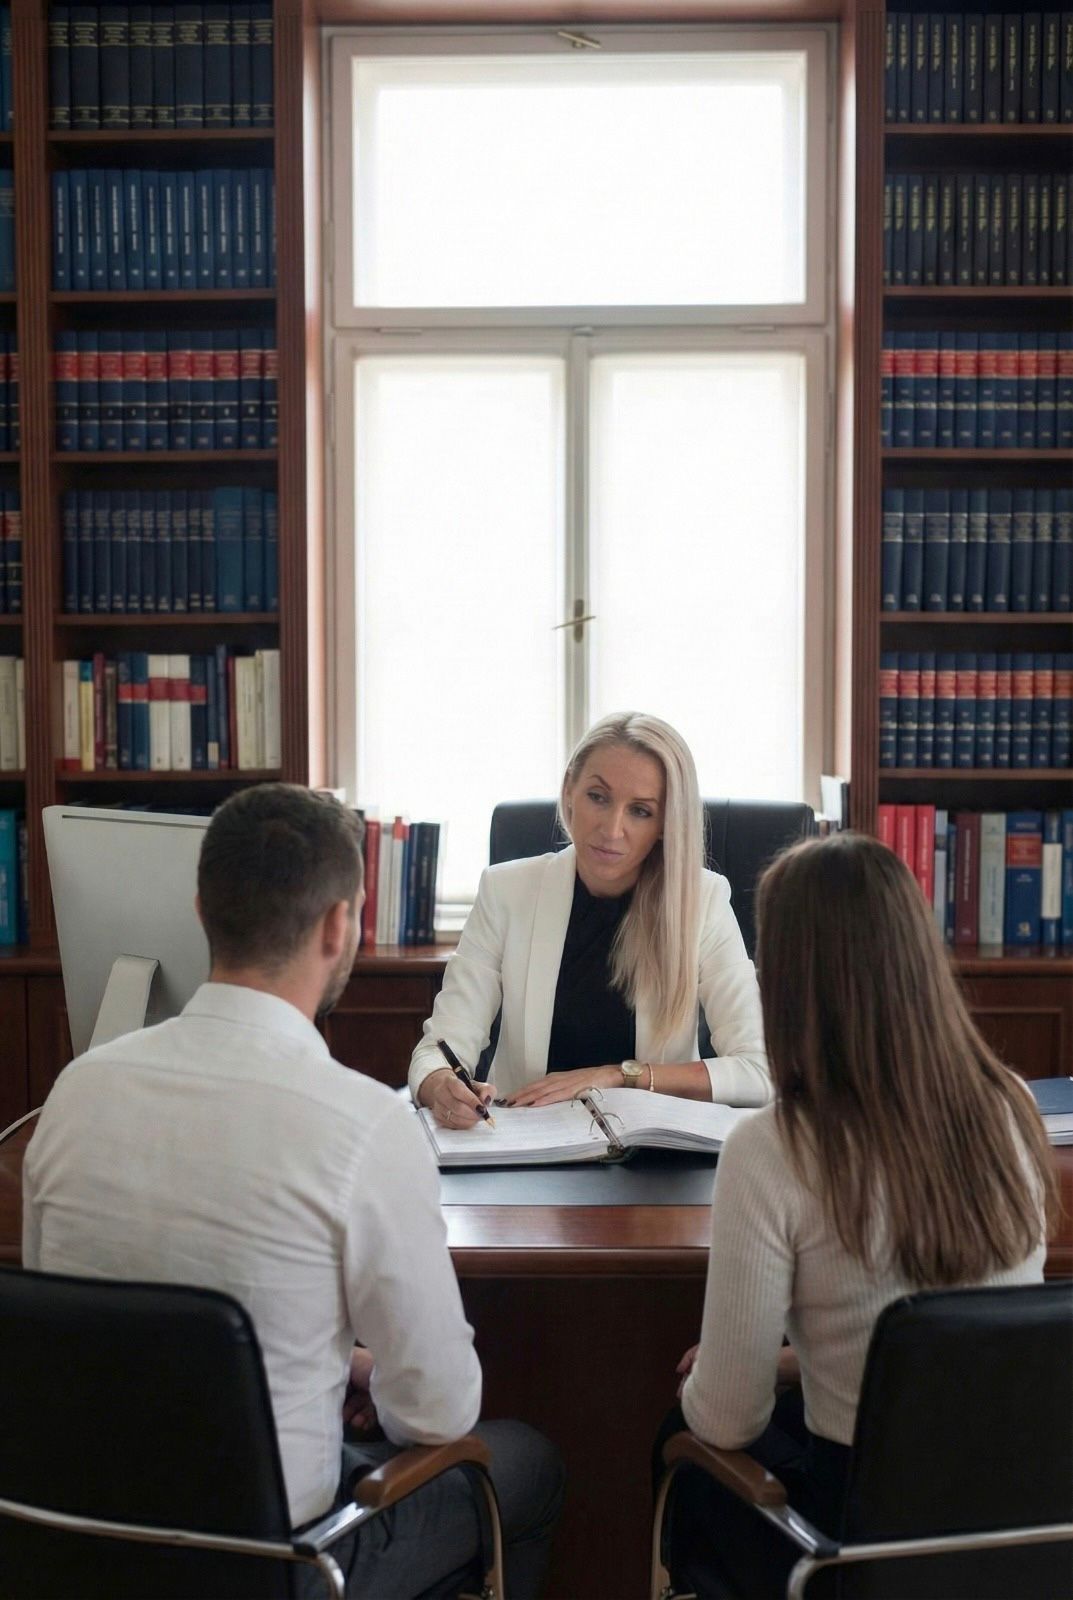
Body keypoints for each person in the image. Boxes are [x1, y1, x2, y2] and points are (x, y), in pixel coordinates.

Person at [23, 783, 562, 1600]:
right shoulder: (365, 1124)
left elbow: (71, 1318)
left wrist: (330, 1362)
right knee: (527, 1463)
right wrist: (364, 1377)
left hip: (79, 1543)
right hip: (278, 1566)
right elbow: (438, 1413)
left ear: (201, 911)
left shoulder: (75, 1093)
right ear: (338, 926)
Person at [662, 831, 1055, 1599]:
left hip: (856, 1545)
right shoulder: (1009, 1104)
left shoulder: (771, 1149)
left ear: (788, 980)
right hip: (1021, 1530)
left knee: (677, 1442)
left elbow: (726, 1423)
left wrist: (716, 1378)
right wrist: (795, 1361)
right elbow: (956, 1332)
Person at [410, 712, 770, 1129]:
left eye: (640, 811)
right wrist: (440, 1084)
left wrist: (618, 1076)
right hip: (526, 1144)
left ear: (664, 824)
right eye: (598, 797)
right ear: (569, 791)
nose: (612, 830)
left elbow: (758, 1072)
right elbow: (439, 1048)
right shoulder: (505, 891)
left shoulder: (702, 900)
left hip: (653, 1155)